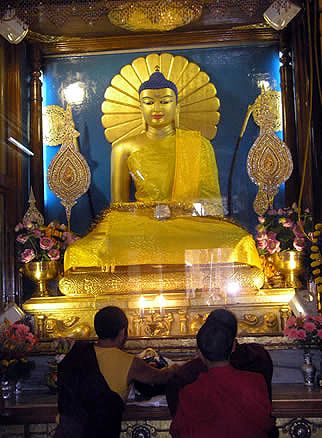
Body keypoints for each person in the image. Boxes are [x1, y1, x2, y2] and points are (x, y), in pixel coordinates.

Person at [64, 69, 262, 277]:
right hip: (143, 225)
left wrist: (177, 212)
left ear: (177, 105)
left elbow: (212, 205)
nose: (157, 108)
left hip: (191, 225)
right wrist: (150, 214)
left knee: (240, 241)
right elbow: (119, 209)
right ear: (140, 107)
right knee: (79, 253)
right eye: (149, 102)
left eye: (165, 101)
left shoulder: (199, 144)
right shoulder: (123, 147)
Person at [55, 306, 176, 438]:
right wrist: (175, 368)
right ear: (123, 331)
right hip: (98, 432)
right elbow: (161, 377)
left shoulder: (77, 353)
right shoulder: (128, 362)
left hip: (66, 432)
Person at [166, 309, 279, 437]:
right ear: (233, 347)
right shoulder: (255, 380)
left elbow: (178, 430)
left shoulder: (189, 391)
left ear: (199, 354)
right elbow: (266, 424)